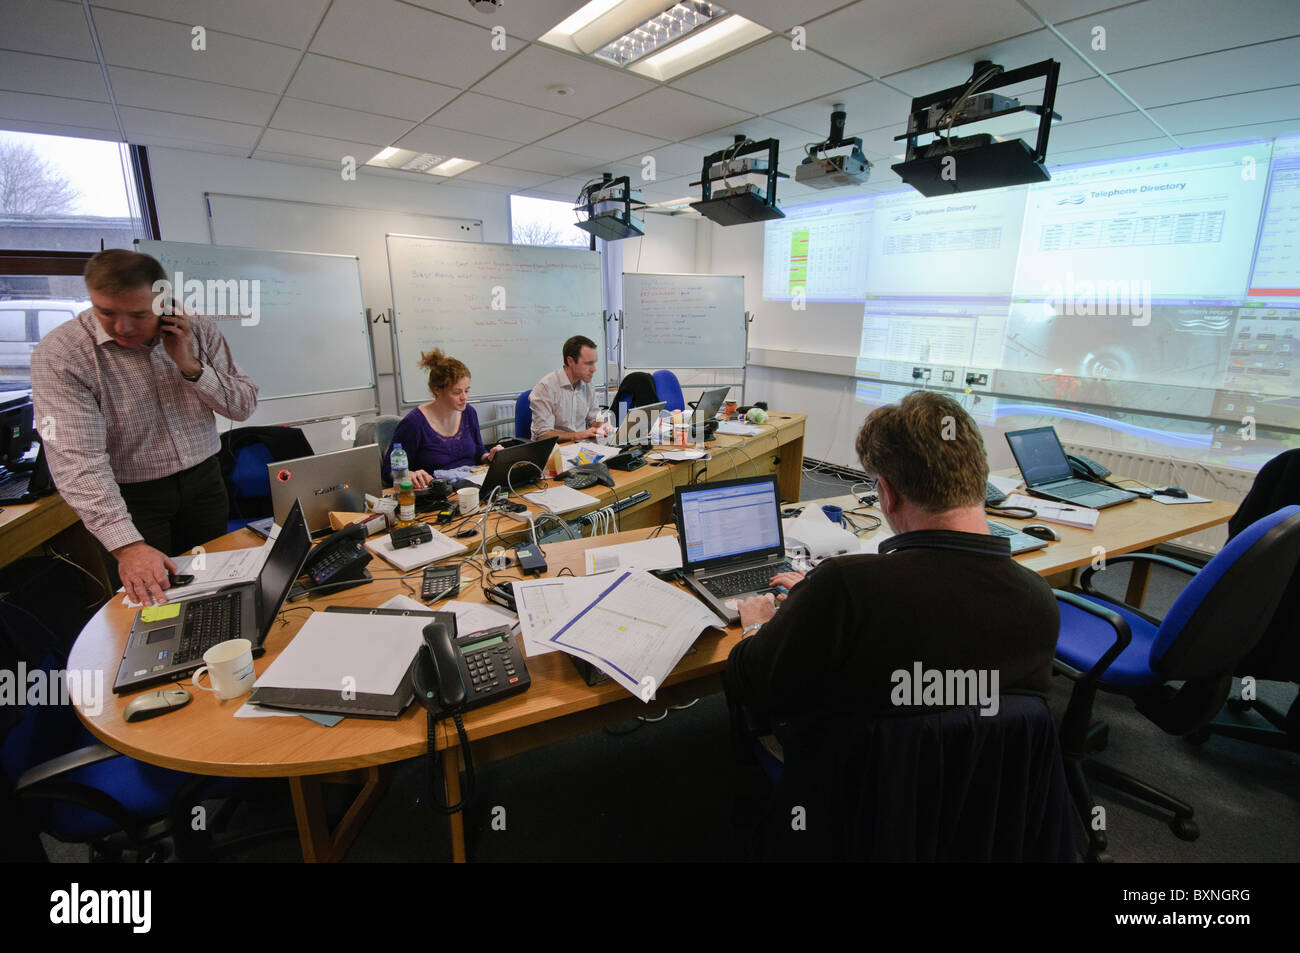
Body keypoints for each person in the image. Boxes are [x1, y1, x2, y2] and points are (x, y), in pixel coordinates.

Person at [726, 389, 1059, 719]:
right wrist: (810, 598)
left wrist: (758, 624)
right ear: (979, 478)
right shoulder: (1039, 600)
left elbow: (754, 687)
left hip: (854, 767)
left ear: (886, 493)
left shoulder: (846, 587)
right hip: (981, 769)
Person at [30, 249, 258, 607]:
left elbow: (241, 406)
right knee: (151, 602)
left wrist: (191, 366)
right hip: (130, 499)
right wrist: (128, 546)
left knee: (215, 589)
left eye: (138, 314)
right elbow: (77, 461)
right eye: (105, 312)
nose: (122, 327)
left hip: (205, 483)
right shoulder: (62, 354)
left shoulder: (196, 329)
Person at [382, 349, 502, 488]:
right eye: (457, 392)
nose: (464, 397)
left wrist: (491, 457)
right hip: (438, 494)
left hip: (472, 487)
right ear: (437, 390)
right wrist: (407, 474)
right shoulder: (414, 423)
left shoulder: (469, 412)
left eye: (467, 390)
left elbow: (479, 453)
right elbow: (387, 471)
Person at [530, 334, 612, 442]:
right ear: (570, 361)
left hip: (581, 447)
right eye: (588, 363)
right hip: (554, 450)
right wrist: (578, 435)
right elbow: (543, 434)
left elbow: (594, 417)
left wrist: (602, 424)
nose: (593, 369)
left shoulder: (587, 385)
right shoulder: (546, 387)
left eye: (594, 363)